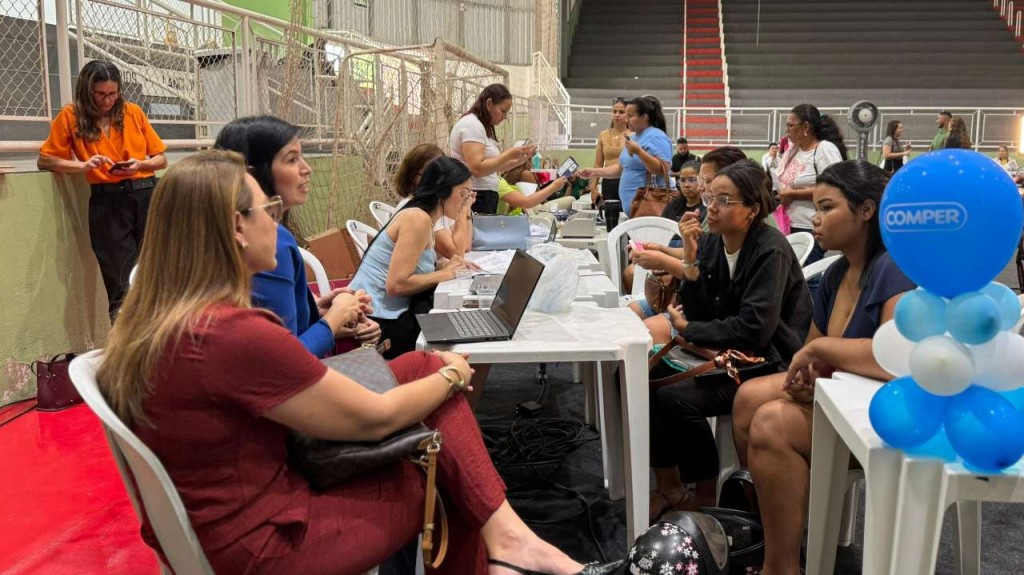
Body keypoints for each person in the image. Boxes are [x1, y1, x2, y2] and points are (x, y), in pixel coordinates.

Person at [97, 149, 619, 575]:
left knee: (422, 374)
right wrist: (454, 373)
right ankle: (510, 547)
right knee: (451, 475)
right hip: (273, 539)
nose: (278, 225)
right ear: (237, 227)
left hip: (231, 518)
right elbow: (375, 419)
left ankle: (510, 546)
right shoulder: (231, 333)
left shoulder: (167, 320)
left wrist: (429, 369)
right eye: (268, 212)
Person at [731, 160, 915, 575]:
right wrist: (808, 376)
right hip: (843, 397)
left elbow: (894, 357)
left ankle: (781, 565)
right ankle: (773, 531)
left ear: (866, 210)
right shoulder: (835, 273)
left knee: (771, 424)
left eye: (827, 207)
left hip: (884, 416)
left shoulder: (893, 267)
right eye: (815, 207)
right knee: (748, 398)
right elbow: (812, 354)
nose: (815, 218)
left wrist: (824, 350)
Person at [647, 160, 812, 520]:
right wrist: (690, 255)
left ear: (752, 209)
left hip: (766, 360)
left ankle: (704, 496)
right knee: (644, 377)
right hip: (725, 351)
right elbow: (697, 311)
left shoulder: (770, 250)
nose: (712, 208)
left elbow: (755, 329)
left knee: (675, 398)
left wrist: (690, 330)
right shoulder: (711, 242)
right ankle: (670, 486)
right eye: (711, 197)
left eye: (724, 200)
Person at [214, 116, 381, 359]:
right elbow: (285, 360)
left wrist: (315, 308)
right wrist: (335, 318)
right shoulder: (272, 242)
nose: (306, 168)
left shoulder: (229, 235)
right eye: (292, 159)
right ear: (253, 173)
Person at [37, 59, 167, 320]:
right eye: (100, 94)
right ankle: (125, 341)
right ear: (87, 90)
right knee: (120, 280)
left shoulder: (132, 112)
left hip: (146, 194)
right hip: (108, 202)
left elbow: (161, 159)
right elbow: (45, 161)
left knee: (157, 272)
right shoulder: (71, 116)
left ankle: (163, 337)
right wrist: (83, 165)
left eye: (113, 93)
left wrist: (140, 164)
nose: (108, 100)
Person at [348, 157, 473, 358]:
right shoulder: (417, 219)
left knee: (461, 328)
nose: (466, 201)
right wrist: (445, 274)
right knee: (463, 340)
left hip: (386, 314)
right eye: (464, 193)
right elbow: (396, 285)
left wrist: (443, 267)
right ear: (443, 190)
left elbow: (416, 266)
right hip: (374, 323)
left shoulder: (424, 217)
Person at [624, 147, 749, 318]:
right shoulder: (694, 211)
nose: (701, 187)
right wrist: (660, 249)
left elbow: (705, 275)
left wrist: (663, 261)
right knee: (630, 312)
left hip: (714, 313)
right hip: (697, 301)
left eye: (706, 180)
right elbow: (700, 256)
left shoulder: (733, 226)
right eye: (684, 180)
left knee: (650, 326)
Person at [775, 103, 847, 267]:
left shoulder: (824, 150)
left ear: (805, 127)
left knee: (808, 273)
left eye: (791, 125)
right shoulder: (793, 151)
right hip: (790, 223)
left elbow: (835, 188)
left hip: (810, 225)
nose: (787, 130)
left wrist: (794, 194)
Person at [578, 95, 672, 216]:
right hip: (633, 210)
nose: (626, 120)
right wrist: (594, 172)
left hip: (649, 208)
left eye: (630, 116)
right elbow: (621, 168)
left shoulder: (656, 136)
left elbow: (662, 169)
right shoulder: (634, 137)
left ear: (644, 117)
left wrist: (639, 152)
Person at [449, 84, 535, 214]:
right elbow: (477, 169)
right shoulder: (472, 125)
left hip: (484, 194)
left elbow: (494, 168)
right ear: (489, 103)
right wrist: (508, 155)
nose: (505, 117)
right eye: (503, 111)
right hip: (476, 195)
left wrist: (519, 161)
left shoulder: (482, 126)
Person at [393, 144, 473, 259]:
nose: (437, 180)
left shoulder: (440, 207)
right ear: (412, 176)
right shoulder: (417, 214)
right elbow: (456, 253)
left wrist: (465, 205)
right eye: (430, 174)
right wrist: (463, 207)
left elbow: (465, 246)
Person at [589, 98, 629, 206]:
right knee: (609, 213)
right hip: (608, 183)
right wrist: (593, 187)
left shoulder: (633, 135)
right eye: (614, 111)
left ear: (628, 115)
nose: (617, 115)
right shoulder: (603, 135)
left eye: (621, 112)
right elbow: (598, 163)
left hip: (627, 181)